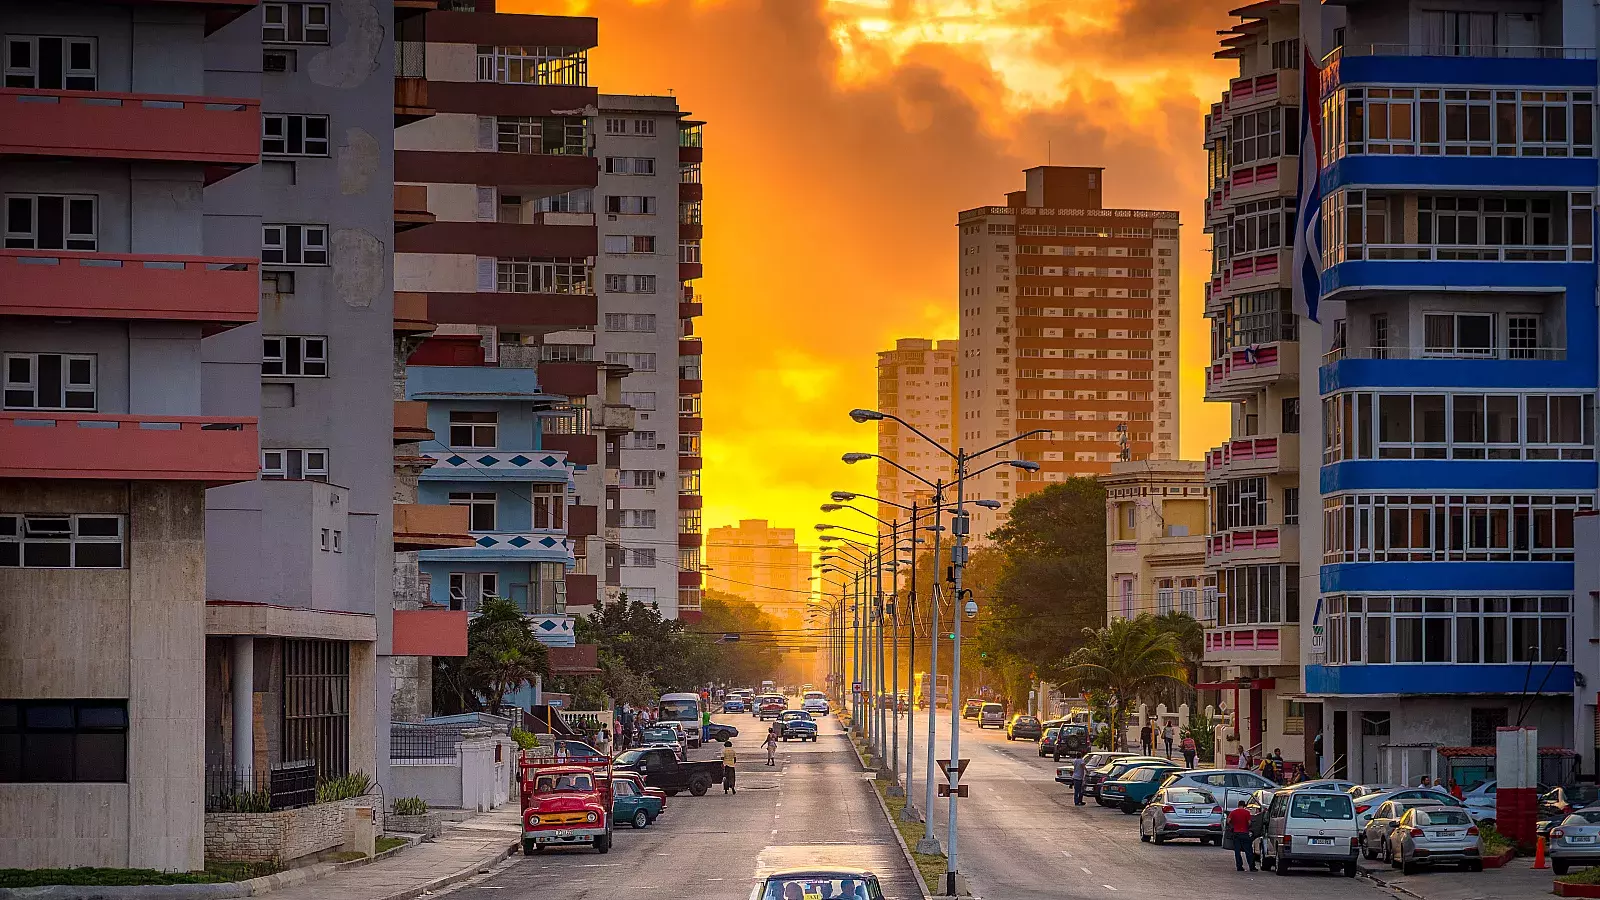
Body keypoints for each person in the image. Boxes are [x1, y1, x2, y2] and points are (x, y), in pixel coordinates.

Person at [1227, 800, 1257, 872]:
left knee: (1237, 851)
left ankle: (1239, 867)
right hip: (1244, 833)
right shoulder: (1247, 812)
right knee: (1248, 851)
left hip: (1236, 834)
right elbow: (1249, 823)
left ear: (1238, 805)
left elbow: (1228, 821)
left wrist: (1232, 826)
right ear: (1244, 805)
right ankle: (1252, 867)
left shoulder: (1233, 812)